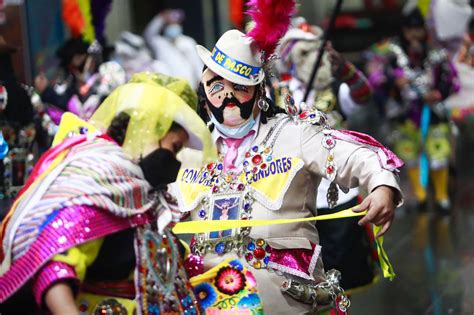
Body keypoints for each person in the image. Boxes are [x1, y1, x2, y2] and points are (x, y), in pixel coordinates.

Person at [171, 1, 404, 313]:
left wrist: (381, 185)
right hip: (204, 298)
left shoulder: (293, 134)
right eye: (216, 86)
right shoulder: (188, 147)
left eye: (238, 88)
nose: (225, 97)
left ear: (258, 92)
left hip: (282, 299)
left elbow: (354, 154)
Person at [0, 73, 215, 314]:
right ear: (146, 130)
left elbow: (159, 252)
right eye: (174, 148)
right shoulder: (98, 180)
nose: (173, 163)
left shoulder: (138, 192)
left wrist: (209, 265)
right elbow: (55, 264)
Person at [275, 21, 378, 292]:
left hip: (338, 198)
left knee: (343, 280)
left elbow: (363, 94)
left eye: (316, 52)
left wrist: (344, 69)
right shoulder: (275, 95)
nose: (314, 61)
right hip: (295, 201)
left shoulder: (334, 89)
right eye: (305, 54)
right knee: (302, 281)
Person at [363, 4, 461, 215]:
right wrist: (393, 81)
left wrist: (439, 93)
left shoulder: (436, 52)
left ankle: (442, 196)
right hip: (404, 113)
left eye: (418, 29)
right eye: (410, 30)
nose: (414, 34)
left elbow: (451, 79)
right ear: (404, 30)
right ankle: (421, 196)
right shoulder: (390, 52)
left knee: (439, 154)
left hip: (433, 113)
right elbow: (375, 75)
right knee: (411, 155)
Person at [143, 9, 203, 88]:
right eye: (170, 24)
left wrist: (201, 81)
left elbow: (197, 64)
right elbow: (148, 34)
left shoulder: (187, 42)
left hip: (188, 86)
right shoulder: (159, 43)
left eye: (175, 23)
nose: (173, 26)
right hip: (167, 87)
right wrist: (161, 18)